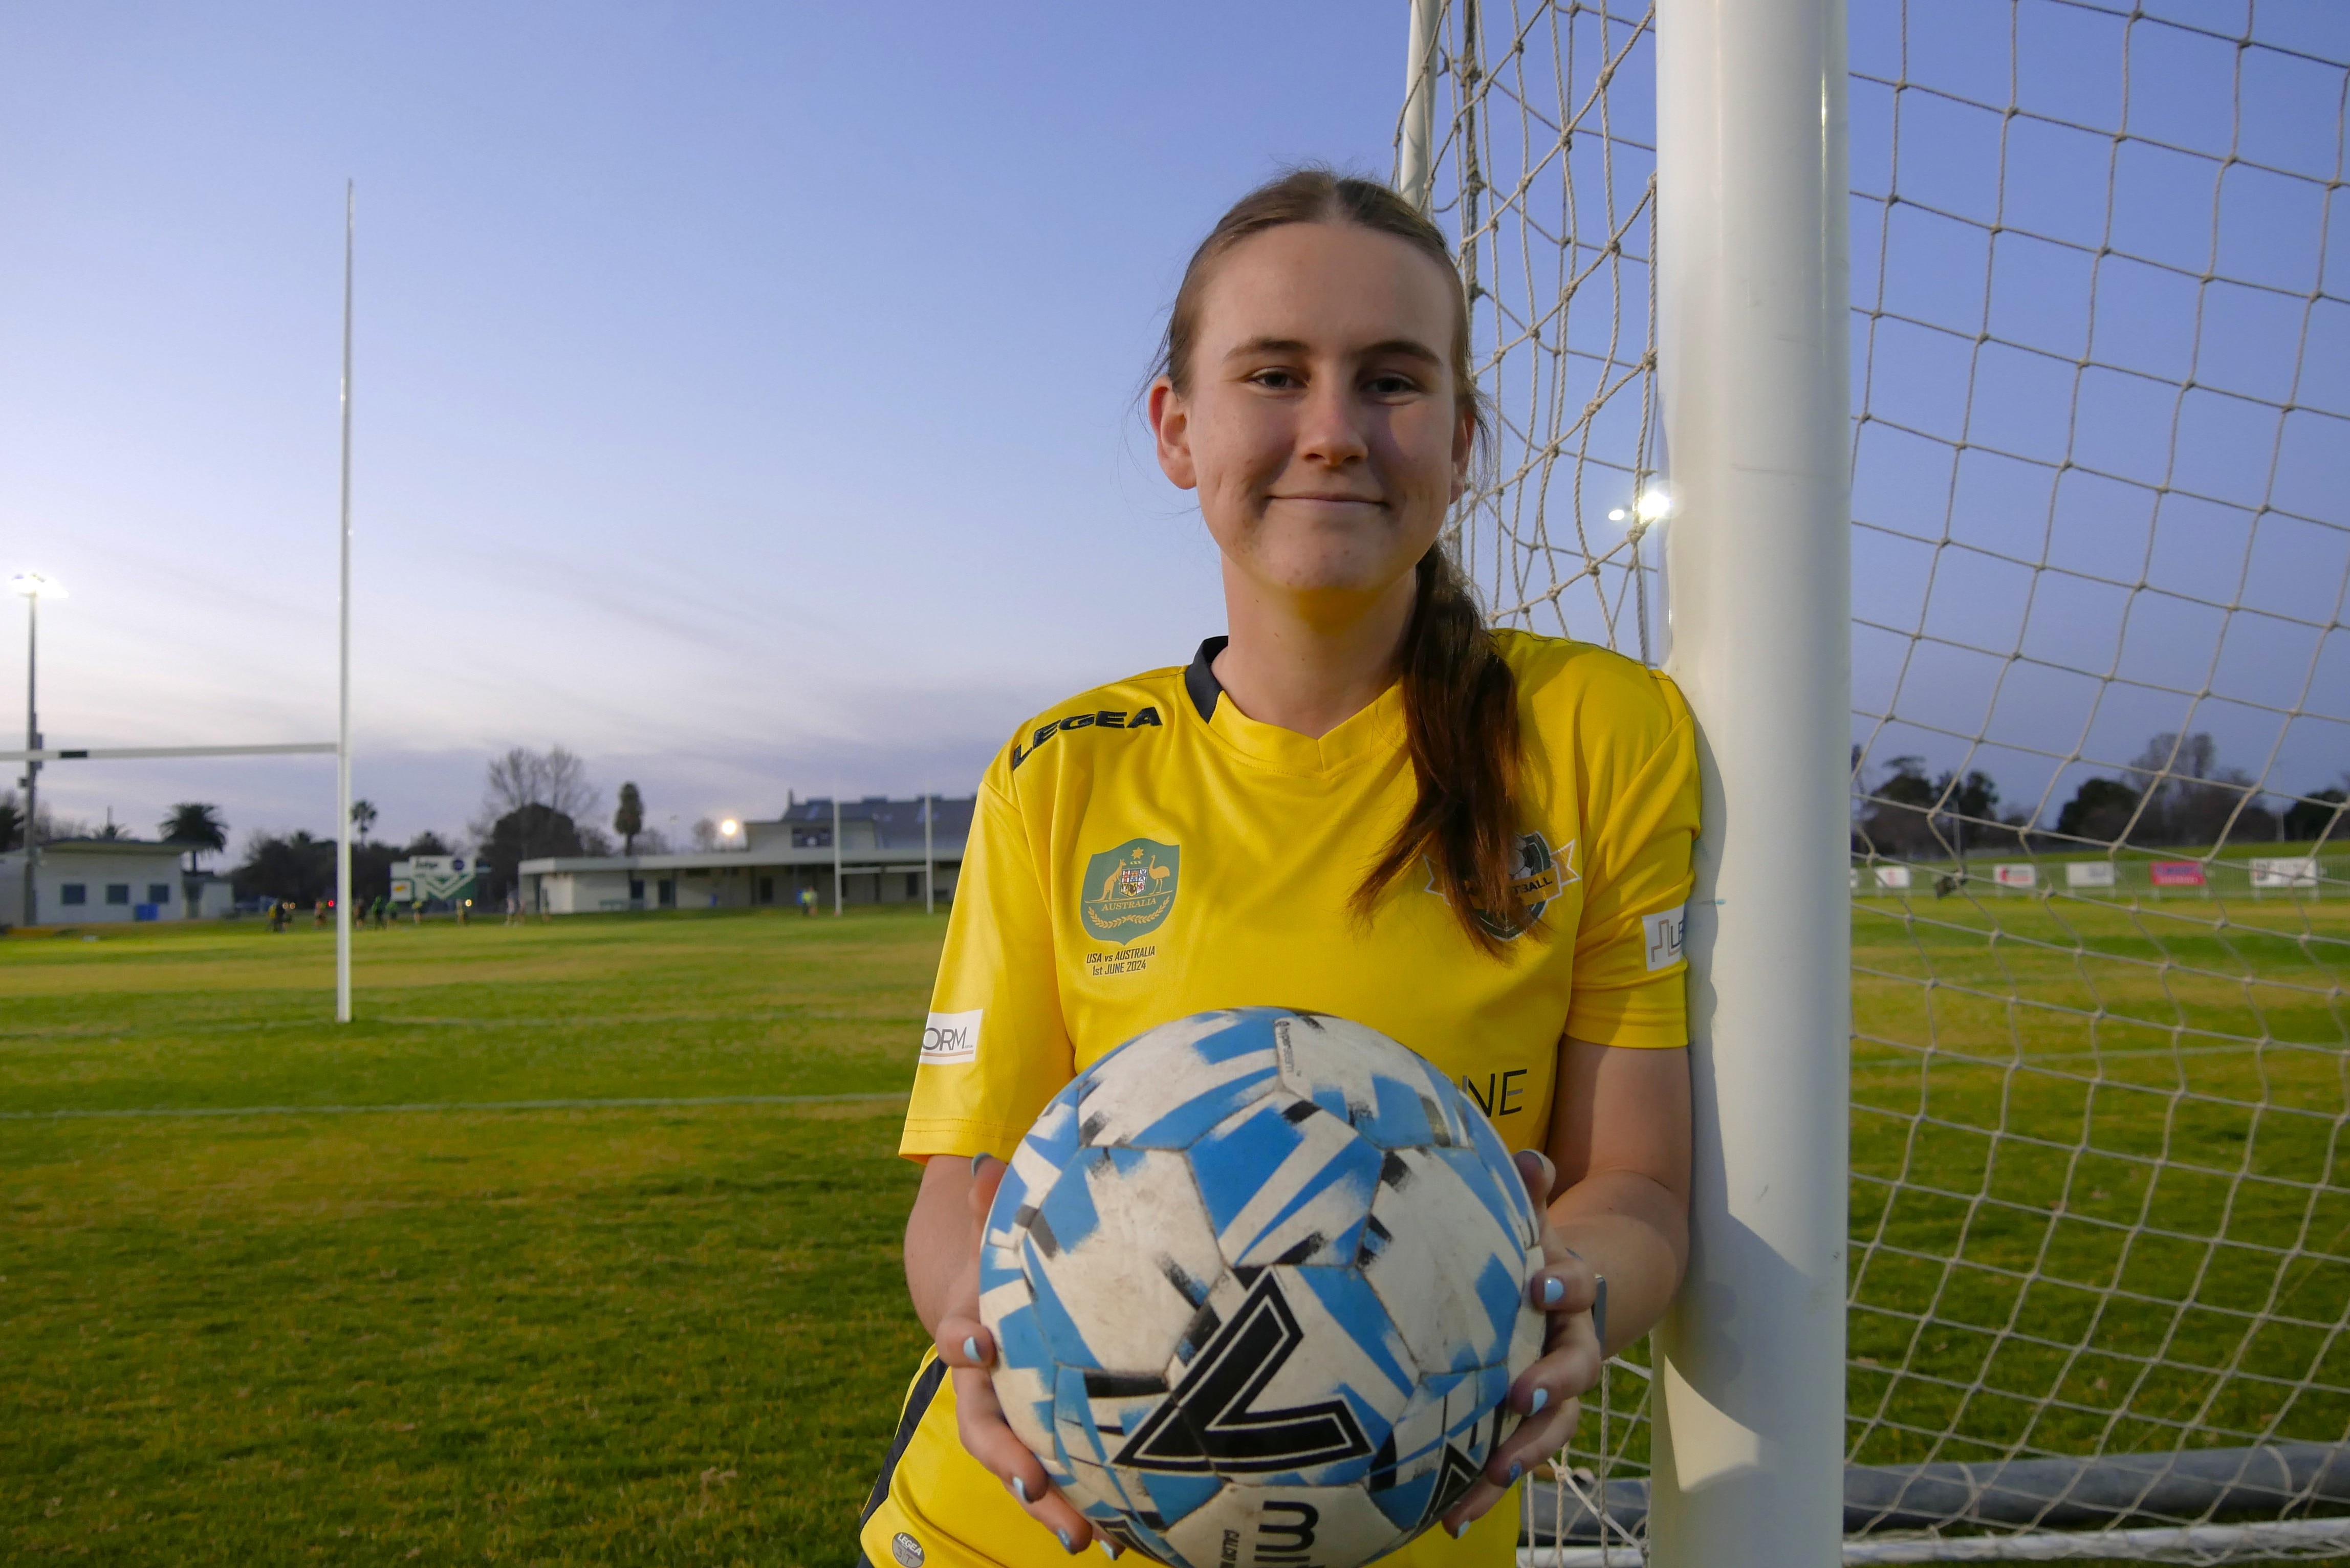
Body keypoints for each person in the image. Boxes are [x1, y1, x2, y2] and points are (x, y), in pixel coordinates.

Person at [861, 170, 1698, 1567]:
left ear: (1466, 437)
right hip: (1018, 1529)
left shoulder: (1597, 738)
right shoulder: (1063, 768)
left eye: (1392, 381)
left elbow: (1639, 1186)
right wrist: (978, 1340)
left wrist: (1571, 1295)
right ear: (1177, 430)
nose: (1333, 432)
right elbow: (962, 1192)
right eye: (1273, 375)